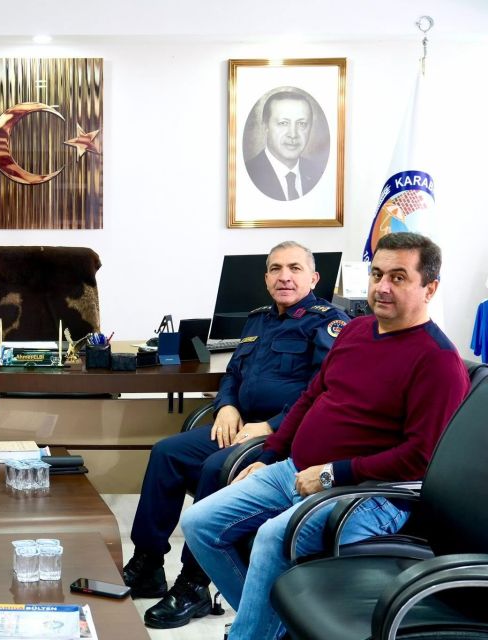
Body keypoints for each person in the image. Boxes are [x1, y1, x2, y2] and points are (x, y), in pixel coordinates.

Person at [181, 232, 470, 640]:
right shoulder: (356, 330)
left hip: (368, 493)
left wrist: (333, 473)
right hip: (295, 469)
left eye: (399, 277)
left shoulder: (438, 362)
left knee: (273, 538)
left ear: (430, 288)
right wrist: (268, 456)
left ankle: (252, 633)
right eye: (377, 274)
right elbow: (310, 397)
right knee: (199, 523)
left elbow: (421, 459)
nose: (382, 287)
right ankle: (270, 627)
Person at [123, 241, 349, 629]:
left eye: (294, 268)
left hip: (283, 434)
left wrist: (272, 425)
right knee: (166, 453)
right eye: (275, 269)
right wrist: (226, 405)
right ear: (266, 278)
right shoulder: (257, 320)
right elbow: (233, 374)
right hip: (240, 424)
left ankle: (194, 584)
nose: (284, 277)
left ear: (314, 278)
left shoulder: (328, 323)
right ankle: (147, 564)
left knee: (215, 467)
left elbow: (323, 391)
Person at [245, 90, 322, 201]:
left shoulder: (317, 173)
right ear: (265, 126)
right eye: (283, 123)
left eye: (301, 124)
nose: (293, 134)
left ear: (310, 128)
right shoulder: (249, 174)